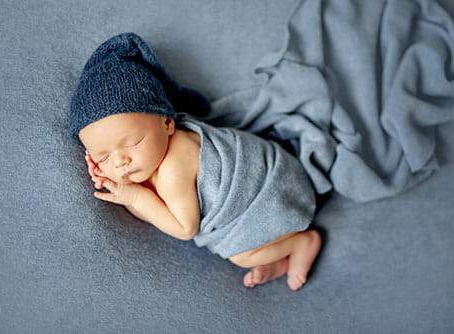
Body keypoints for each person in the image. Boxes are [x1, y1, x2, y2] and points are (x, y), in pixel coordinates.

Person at [69, 32, 321, 291]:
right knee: (247, 252)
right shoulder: (157, 154)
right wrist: (130, 191)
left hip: (275, 196)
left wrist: (134, 198)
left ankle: (301, 242)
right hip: (280, 171)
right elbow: (157, 212)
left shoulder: (173, 167)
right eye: (103, 157)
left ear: (167, 122)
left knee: (241, 255)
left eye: (132, 143)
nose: (120, 161)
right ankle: (278, 262)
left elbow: (183, 228)